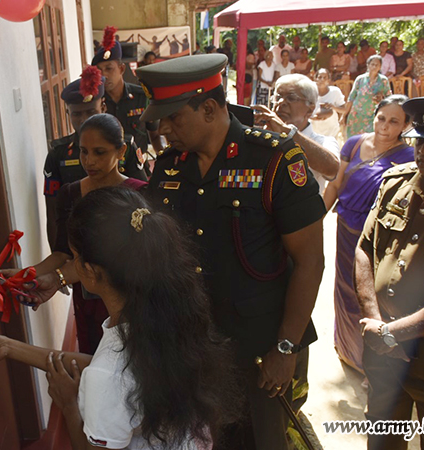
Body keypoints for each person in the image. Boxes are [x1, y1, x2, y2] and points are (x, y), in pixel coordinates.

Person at [137, 54, 326, 450]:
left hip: (261, 348)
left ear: (208, 108)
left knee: (264, 439)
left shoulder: (274, 159)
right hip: (195, 346)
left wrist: (286, 347)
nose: (164, 129)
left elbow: (310, 261)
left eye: (173, 118)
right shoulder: (169, 167)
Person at [0, 186, 245, 450]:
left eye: (73, 257)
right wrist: (11, 347)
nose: (71, 266)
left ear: (89, 270)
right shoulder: (168, 313)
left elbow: (110, 375)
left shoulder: (109, 373)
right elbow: (119, 373)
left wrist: (69, 404)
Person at [354, 91, 424, 450]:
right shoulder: (396, 182)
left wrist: (395, 332)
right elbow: (365, 250)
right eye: (420, 141)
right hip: (382, 349)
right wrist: (375, 322)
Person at [36, 114, 148, 354]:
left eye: (99, 152)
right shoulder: (70, 194)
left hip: (132, 301)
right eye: (83, 151)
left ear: (121, 152)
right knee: (93, 356)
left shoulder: (140, 194)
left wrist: (58, 278)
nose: (89, 161)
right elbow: (62, 252)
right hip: (87, 299)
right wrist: (24, 276)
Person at [323, 95, 414, 374]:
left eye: (394, 121)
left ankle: (370, 362)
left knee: (370, 297)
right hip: (345, 230)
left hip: (377, 240)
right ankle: (347, 348)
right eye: (381, 118)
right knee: (344, 290)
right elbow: (335, 185)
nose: (384, 126)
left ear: (405, 126)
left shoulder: (409, 157)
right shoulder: (354, 143)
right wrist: (315, 221)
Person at [43, 67, 147, 246]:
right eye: (76, 114)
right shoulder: (57, 154)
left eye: (91, 112)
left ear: (103, 107)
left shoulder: (126, 147)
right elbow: (53, 215)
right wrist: (59, 258)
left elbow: (143, 198)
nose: (83, 120)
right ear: (68, 114)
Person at [253, 74, 340, 195]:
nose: (281, 102)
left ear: (310, 109)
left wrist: (289, 133)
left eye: (291, 98)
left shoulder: (323, 142)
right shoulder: (262, 136)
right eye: (277, 97)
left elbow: (332, 170)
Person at [96, 27, 164, 156]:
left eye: (109, 68)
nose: (104, 75)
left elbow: (154, 135)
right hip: (109, 168)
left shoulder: (142, 97)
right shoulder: (96, 101)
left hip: (138, 166)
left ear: (121, 69)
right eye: (99, 70)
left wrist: (163, 161)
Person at [343, 55, 392, 138]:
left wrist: (381, 98)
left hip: (373, 115)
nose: (374, 67)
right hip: (357, 115)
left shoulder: (383, 80)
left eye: (377, 65)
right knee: (354, 140)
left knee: (370, 139)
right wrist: (344, 115)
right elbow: (351, 98)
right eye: (372, 64)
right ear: (368, 65)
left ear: (380, 67)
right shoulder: (360, 79)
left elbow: (389, 98)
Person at [311, 69, 347, 139]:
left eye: (325, 77)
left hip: (331, 131)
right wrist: (313, 118)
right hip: (314, 131)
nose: (322, 80)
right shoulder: (310, 92)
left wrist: (333, 107)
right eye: (320, 77)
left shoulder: (335, 92)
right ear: (315, 79)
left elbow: (344, 110)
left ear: (329, 80)